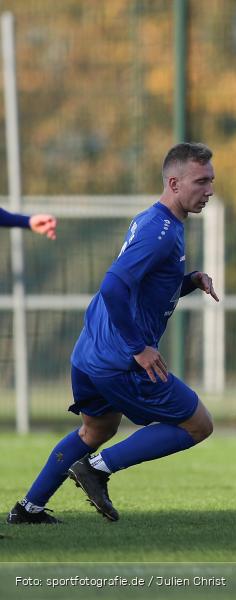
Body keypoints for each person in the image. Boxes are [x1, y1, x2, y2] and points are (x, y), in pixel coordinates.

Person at [6, 142, 219, 525]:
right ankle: (97, 469)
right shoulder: (161, 231)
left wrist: (188, 282)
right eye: (201, 182)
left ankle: (29, 509)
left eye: (211, 181)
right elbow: (113, 286)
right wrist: (139, 347)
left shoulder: (151, 220)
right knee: (198, 424)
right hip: (121, 359)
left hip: (90, 353)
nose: (209, 190)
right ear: (174, 182)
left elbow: (140, 286)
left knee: (96, 428)